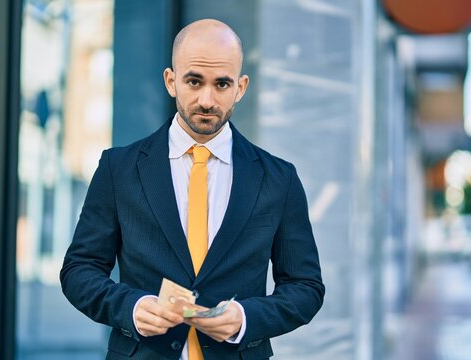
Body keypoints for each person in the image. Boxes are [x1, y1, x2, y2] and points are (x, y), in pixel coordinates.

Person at [60, 18, 324, 360]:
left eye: (222, 84)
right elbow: (79, 270)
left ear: (241, 87)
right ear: (171, 81)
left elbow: (306, 288)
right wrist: (132, 307)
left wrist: (246, 318)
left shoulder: (279, 178)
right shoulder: (118, 168)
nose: (207, 99)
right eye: (194, 81)